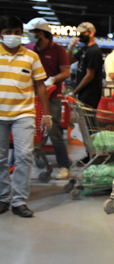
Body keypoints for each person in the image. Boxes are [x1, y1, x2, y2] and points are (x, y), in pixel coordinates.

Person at [0, 15, 52, 217]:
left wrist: (47, 115)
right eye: (7, 32)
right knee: (0, 158)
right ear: (1, 34)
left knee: (24, 156)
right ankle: (3, 197)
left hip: (24, 113)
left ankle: (19, 201)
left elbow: (40, 85)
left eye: (17, 32)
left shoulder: (32, 57)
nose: (13, 36)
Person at [24, 18, 72, 179]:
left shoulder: (58, 50)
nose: (29, 36)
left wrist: (52, 80)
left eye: (31, 32)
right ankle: (34, 159)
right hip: (31, 97)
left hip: (51, 97)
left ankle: (64, 165)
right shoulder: (28, 49)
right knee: (30, 131)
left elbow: (66, 72)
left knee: (54, 130)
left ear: (41, 33)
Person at [69, 22, 104, 108]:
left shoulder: (94, 51)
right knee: (86, 119)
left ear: (91, 33)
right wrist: (70, 48)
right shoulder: (84, 48)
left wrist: (74, 92)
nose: (80, 35)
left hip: (90, 93)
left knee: (89, 119)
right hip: (83, 91)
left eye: (82, 33)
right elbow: (70, 61)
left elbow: (89, 75)